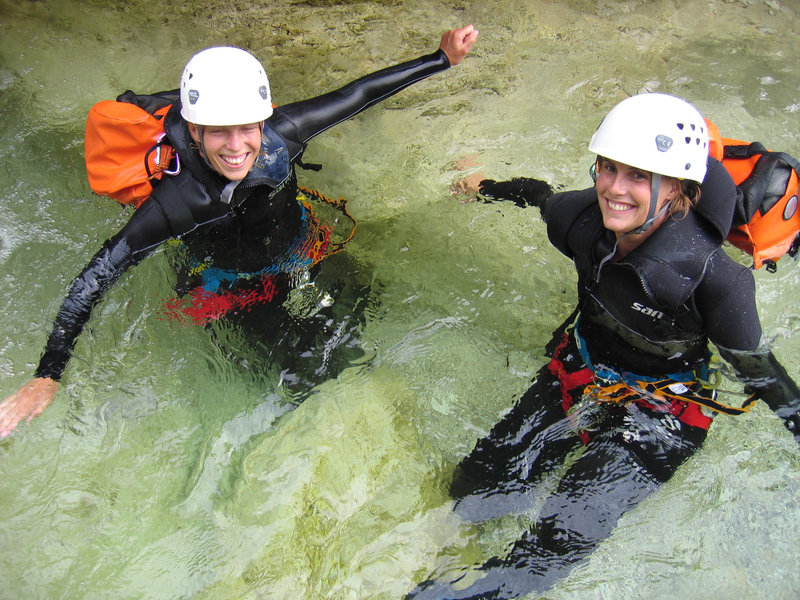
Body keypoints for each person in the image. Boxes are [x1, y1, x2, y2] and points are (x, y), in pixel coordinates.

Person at [408, 93, 800, 599]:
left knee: (559, 538)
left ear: (678, 188)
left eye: (638, 176)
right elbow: (539, 195)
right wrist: (479, 184)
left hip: (665, 409)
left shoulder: (715, 278)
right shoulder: (580, 220)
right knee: (474, 490)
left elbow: (759, 370)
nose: (614, 189)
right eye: (608, 168)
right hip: (583, 370)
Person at [0, 25, 479, 439]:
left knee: (367, 316)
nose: (236, 147)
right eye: (217, 132)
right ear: (193, 131)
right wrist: (48, 374)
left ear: (264, 119)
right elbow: (97, 275)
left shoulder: (283, 133)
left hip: (298, 247)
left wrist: (440, 59)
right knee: (304, 374)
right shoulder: (177, 202)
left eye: (247, 128)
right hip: (228, 282)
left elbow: (357, 95)